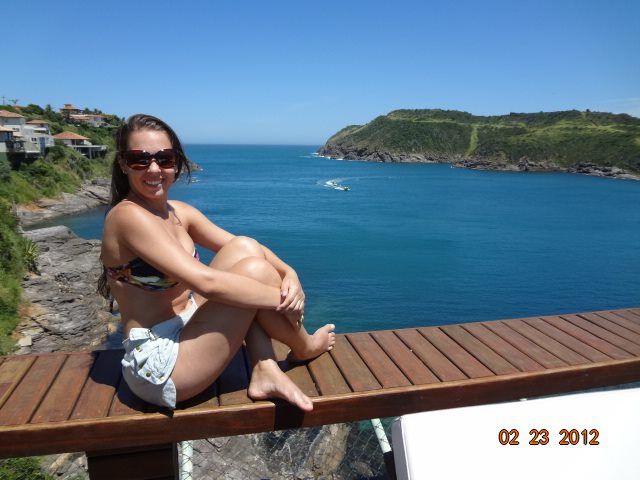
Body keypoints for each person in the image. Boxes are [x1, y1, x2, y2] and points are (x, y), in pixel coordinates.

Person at [98, 114, 335, 411]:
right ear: (123, 164)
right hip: (160, 363)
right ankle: (304, 347)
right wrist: (283, 300)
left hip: (189, 323)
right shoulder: (127, 216)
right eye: (140, 160)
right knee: (256, 274)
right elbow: (206, 283)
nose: (154, 169)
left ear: (176, 162)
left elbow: (246, 246)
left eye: (164, 158)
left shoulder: (179, 212)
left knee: (246, 249)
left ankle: (264, 367)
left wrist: (290, 273)